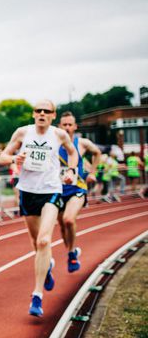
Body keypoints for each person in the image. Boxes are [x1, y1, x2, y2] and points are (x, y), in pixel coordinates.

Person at [0, 100, 78, 317]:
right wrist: (15, 158)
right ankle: (47, 265)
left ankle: (37, 295)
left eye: (47, 111)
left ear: (53, 115)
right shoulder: (23, 133)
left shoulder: (59, 135)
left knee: (44, 240)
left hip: (51, 190)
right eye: (38, 110)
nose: (42, 114)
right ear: (33, 114)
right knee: (36, 244)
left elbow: (73, 153)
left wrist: (71, 170)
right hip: (27, 192)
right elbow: (2, 156)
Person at [57, 112, 101, 273]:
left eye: (70, 124)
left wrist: (92, 172)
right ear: (59, 127)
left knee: (69, 220)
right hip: (58, 191)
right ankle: (72, 250)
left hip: (77, 189)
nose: (67, 127)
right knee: (62, 226)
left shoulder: (81, 143)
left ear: (75, 127)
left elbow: (97, 153)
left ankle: (71, 254)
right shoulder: (53, 145)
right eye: (64, 125)